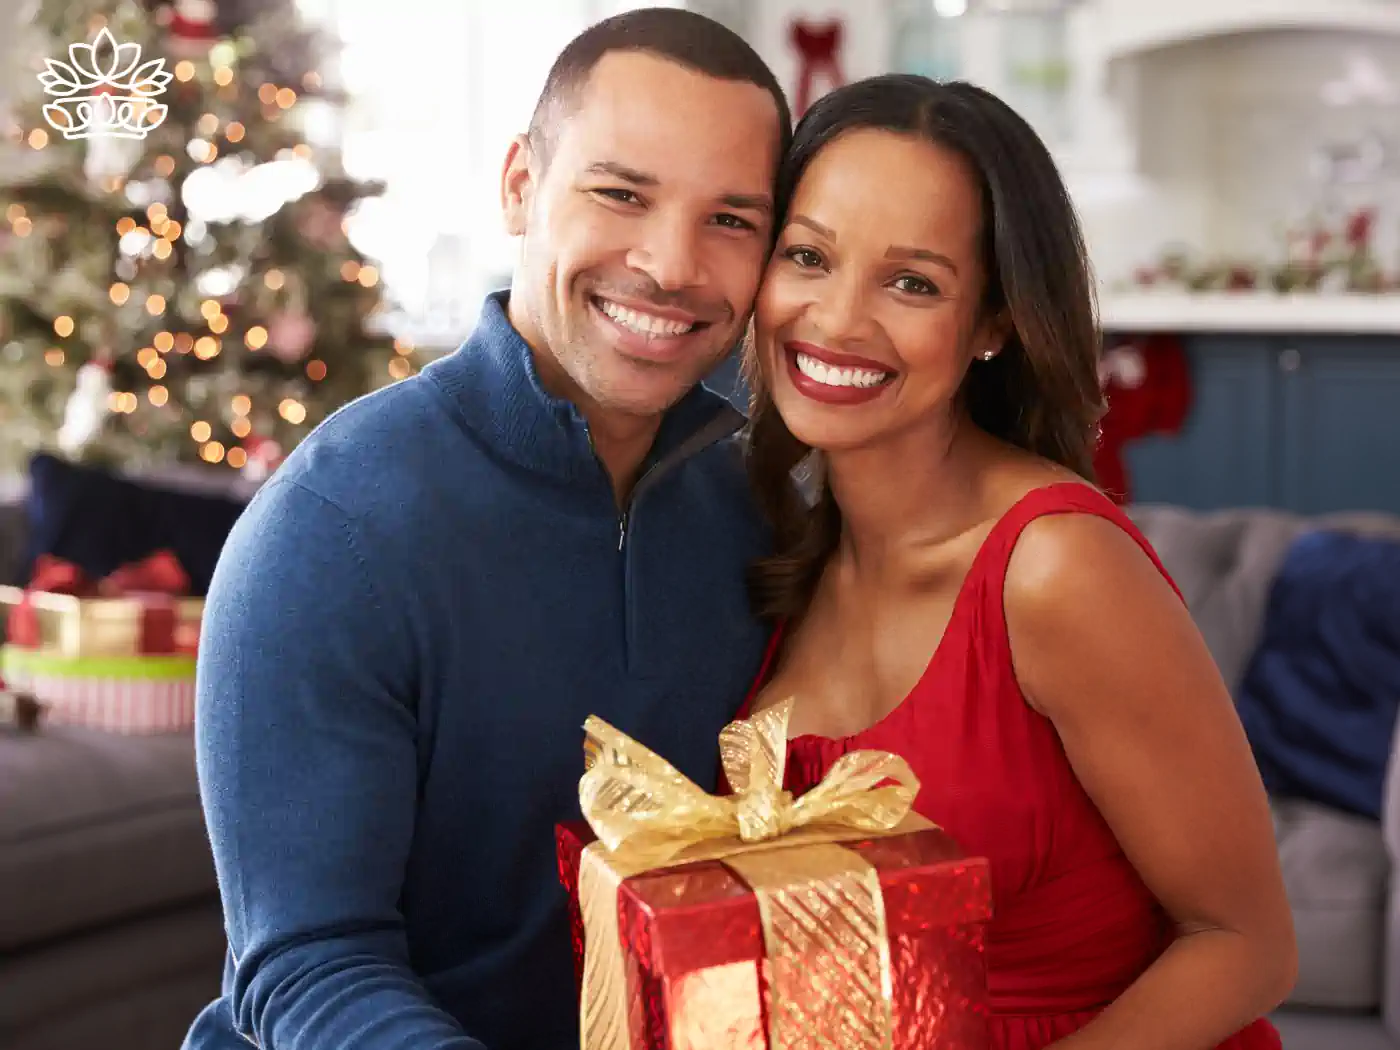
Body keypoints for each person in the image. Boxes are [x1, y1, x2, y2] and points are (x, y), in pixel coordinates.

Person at [182, 10, 790, 1050]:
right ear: (519, 183)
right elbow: (309, 968)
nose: (672, 264)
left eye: (730, 219)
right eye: (620, 193)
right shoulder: (331, 529)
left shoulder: (764, 509)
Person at [735, 75, 1297, 1049]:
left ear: (992, 322)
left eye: (910, 281)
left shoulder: (1054, 570)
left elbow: (1246, 944)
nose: (833, 318)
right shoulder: (775, 552)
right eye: (807, 256)